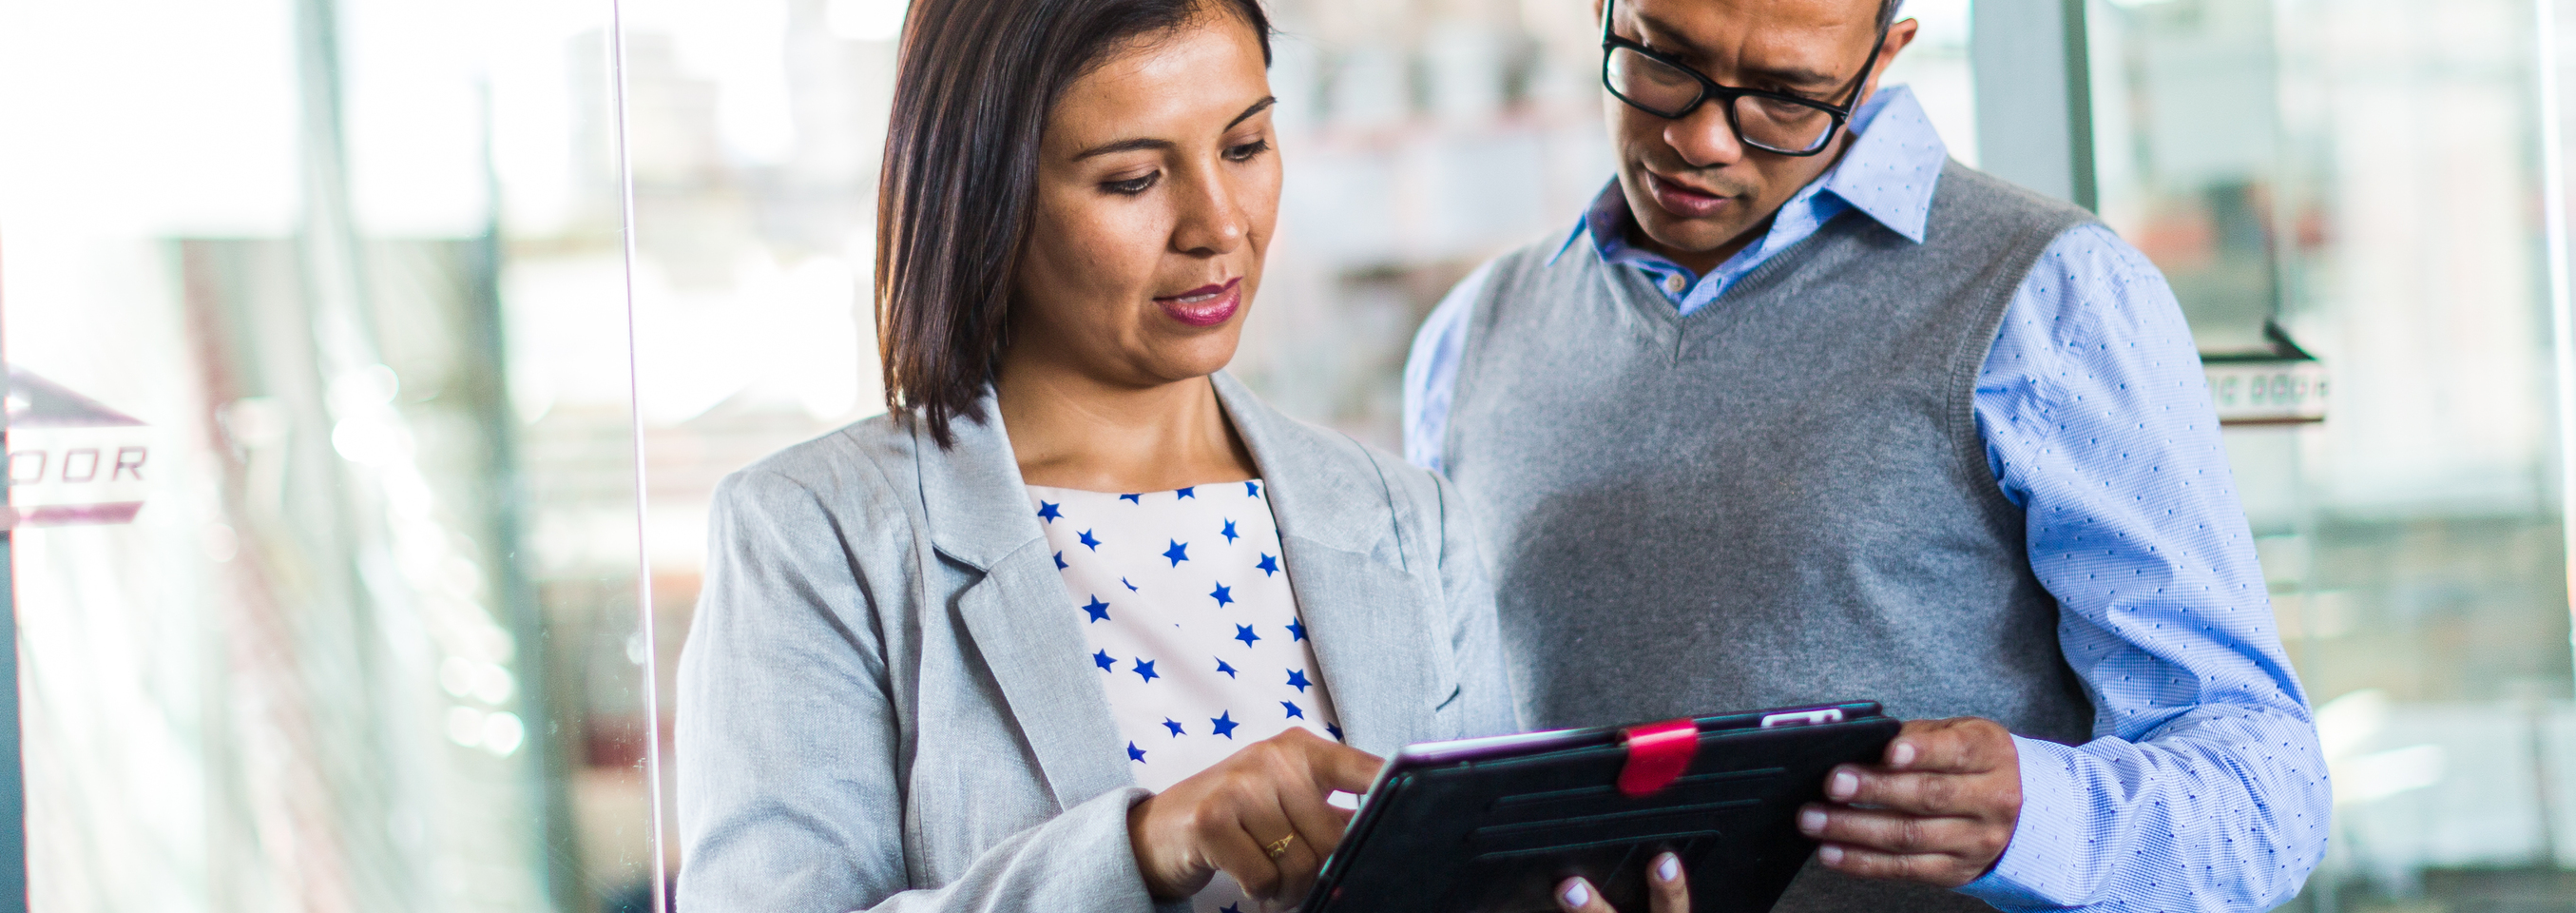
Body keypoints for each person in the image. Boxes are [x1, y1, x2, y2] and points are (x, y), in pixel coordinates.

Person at [1405, 0, 2332, 910]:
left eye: (1785, 96)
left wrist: (2037, 817)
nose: (1702, 140)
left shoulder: (2052, 298)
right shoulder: (1471, 336)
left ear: (1884, 55)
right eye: (1660, 59)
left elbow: (2267, 789)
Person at [671, 0, 1515, 909]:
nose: (1218, 225)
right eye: (1132, 180)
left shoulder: (1408, 519)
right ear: (987, 192)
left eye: (1244, 148)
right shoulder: (814, 535)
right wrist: (1144, 847)